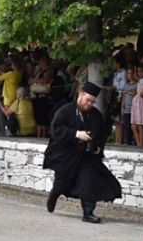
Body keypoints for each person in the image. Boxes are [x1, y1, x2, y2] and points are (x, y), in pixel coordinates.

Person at [43, 82, 122, 223]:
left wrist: (98, 147)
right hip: (65, 155)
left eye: (92, 102)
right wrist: (76, 134)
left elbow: (101, 135)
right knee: (62, 183)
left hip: (86, 156)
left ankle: (88, 212)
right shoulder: (65, 111)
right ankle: (55, 194)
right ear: (80, 95)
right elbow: (56, 130)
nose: (90, 104)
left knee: (89, 181)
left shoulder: (96, 116)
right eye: (88, 100)